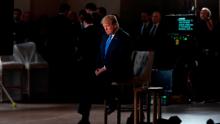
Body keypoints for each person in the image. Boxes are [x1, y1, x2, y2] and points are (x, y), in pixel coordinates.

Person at [95, 14, 133, 114]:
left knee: (101, 78)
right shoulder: (105, 36)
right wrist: (98, 67)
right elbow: (100, 54)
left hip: (120, 69)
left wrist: (104, 68)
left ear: (115, 25)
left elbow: (120, 58)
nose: (105, 29)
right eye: (104, 26)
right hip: (106, 69)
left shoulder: (124, 37)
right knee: (88, 77)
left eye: (107, 26)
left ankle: (113, 101)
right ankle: (84, 114)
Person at [77, 13, 101, 124]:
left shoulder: (83, 32)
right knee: (90, 92)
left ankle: (84, 116)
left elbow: (80, 50)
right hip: (97, 65)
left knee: (85, 91)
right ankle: (85, 116)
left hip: (85, 66)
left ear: (83, 21)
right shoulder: (99, 32)